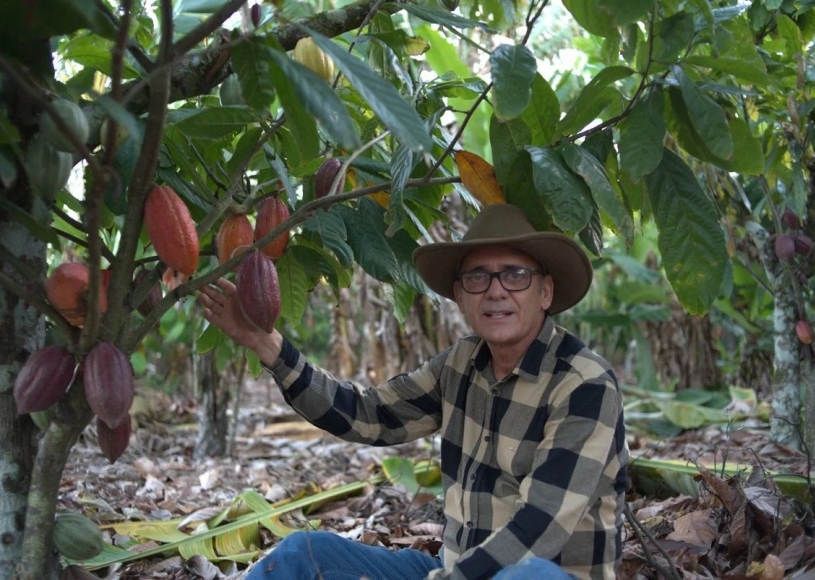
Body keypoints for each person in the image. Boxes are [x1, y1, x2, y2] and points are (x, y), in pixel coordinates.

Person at [199, 203, 628, 580]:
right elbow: (368, 415)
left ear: (545, 291)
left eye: (516, 275)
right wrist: (267, 345)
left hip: (541, 576)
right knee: (303, 555)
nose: (496, 289)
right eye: (478, 277)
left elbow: (541, 527)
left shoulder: (584, 385)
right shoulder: (459, 365)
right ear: (460, 296)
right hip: (454, 569)